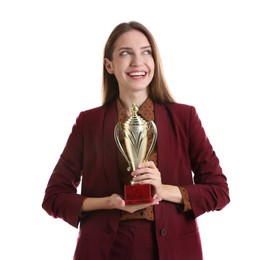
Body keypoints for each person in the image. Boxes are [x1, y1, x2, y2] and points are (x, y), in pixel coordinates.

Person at [42, 21, 230, 260]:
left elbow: (219, 191)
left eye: (146, 52)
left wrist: (165, 190)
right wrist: (107, 203)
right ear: (109, 65)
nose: (137, 62)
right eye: (125, 53)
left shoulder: (185, 118)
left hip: (174, 250)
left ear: (155, 61)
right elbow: (54, 198)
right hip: (106, 251)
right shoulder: (88, 123)